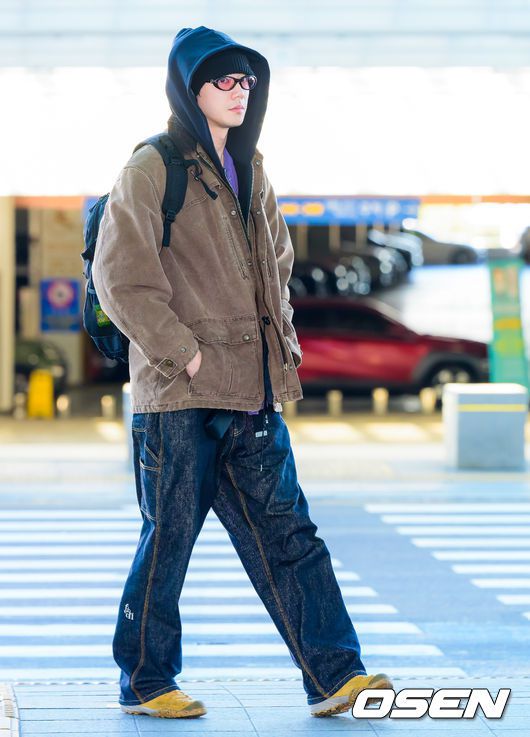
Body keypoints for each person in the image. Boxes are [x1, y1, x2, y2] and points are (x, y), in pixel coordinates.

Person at [92, 24, 393, 720]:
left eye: (246, 81)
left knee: (290, 534)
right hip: (179, 398)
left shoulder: (251, 168)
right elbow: (121, 277)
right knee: (168, 542)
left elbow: (276, 269)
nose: (239, 91)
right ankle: (145, 680)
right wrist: (184, 353)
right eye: (223, 80)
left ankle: (334, 674)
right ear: (189, 88)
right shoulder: (153, 166)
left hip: (252, 393)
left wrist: (281, 351)